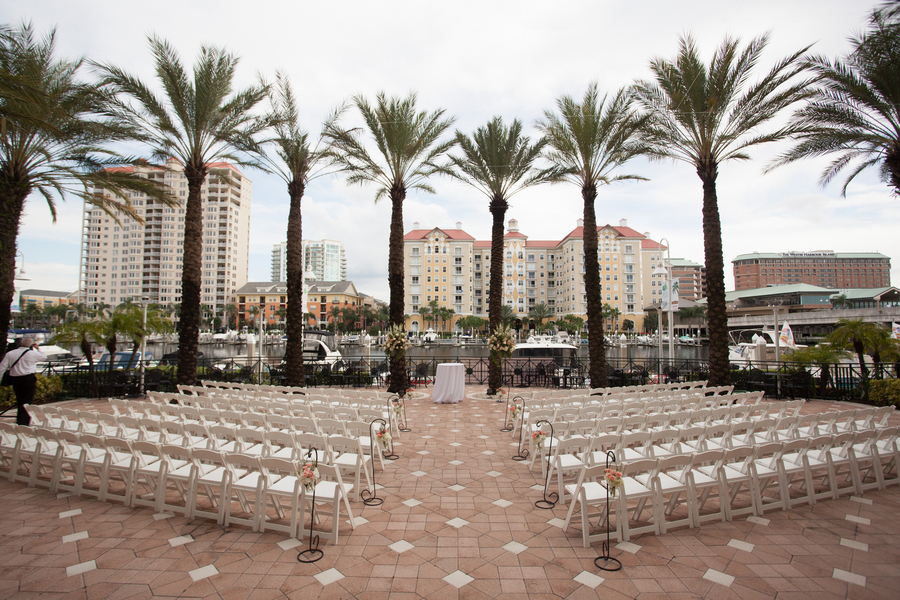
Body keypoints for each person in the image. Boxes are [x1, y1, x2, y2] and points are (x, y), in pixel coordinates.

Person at [0, 337, 48, 425]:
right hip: (28, 379)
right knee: (27, 401)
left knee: (20, 399)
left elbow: (2, 367)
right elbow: (44, 357)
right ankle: (23, 421)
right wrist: (38, 348)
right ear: (31, 345)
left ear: (20, 343)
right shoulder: (33, 354)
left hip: (15, 379)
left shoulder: (10, 353)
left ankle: (22, 420)